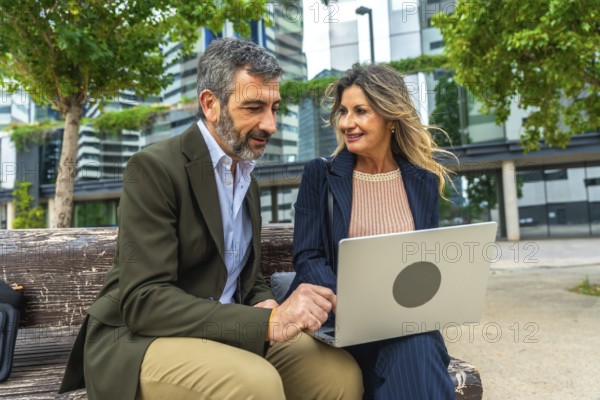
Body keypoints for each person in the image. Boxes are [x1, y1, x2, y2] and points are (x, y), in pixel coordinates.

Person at [59, 38, 362, 400]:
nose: (270, 124)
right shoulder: (154, 168)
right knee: (254, 384)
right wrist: (267, 322)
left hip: (225, 330)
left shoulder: (246, 176)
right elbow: (144, 300)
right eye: (254, 107)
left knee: (340, 375)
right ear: (210, 104)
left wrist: (265, 305)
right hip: (143, 338)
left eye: (274, 107)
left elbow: (245, 280)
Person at [287, 64, 456, 399]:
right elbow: (308, 257)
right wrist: (352, 303)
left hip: (405, 322)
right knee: (418, 354)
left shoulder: (421, 181)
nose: (347, 123)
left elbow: (425, 263)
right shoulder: (320, 176)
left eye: (361, 111)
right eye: (344, 112)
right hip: (342, 326)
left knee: (417, 345)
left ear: (391, 117)